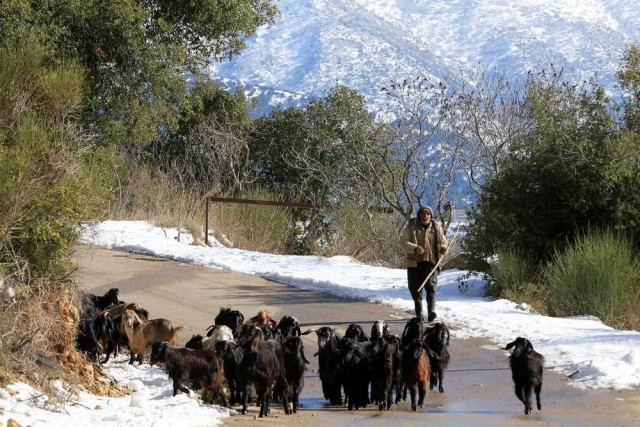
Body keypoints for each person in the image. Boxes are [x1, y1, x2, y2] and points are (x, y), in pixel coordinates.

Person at [402, 205, 448, 322]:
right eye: (423, 214)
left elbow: (443, 242)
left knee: (431, 287)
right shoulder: (411, 227)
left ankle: (431, 311)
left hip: (431, 263)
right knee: (415, 289)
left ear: (431, 216)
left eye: (427, 214)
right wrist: (415, 248)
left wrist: (443, 248)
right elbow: (403, 242)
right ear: (419, 215)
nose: (425, 216)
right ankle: (419, 314)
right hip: (415, 263)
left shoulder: (437, 227)